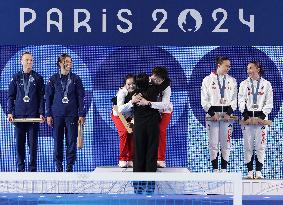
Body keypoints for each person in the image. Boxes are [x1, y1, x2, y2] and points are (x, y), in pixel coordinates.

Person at [46, 53, 85, 172]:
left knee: (71, 141)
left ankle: (69, 166)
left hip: (71, 115)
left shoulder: (76, 79)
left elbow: (81, 97)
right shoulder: (53, 79)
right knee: (57, 141)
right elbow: (48, 97)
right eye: (66, 61)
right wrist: (48, 114)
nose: (69, 64)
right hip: (57, 115)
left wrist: (81, 114)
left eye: (70, 62)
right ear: (60, 63)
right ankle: (58, 165)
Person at [7, 51, 45, 172]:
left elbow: (41, 98)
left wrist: (41, 113)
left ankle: (32, 169)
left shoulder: (38, 78)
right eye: (27, 60)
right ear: (21, 61)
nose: (29, 62)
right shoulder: (15, 77)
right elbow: (11, 97)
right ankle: (20, 169)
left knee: (33, 145)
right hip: (18, 116)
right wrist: (10, 112)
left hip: (33, 116)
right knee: (19, 144)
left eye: (31, 60)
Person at [201, 56, 237, 172]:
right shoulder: (207, 80)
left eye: (229, 66)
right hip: (213, 115)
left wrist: (229, 112)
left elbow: (235, 99)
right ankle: (215, 169)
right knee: (213, 143)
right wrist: (212, 113)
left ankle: (224, 170)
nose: (228, 68)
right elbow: (204, 100)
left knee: (226, 143)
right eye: (226, 66)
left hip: (227, 115)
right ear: (219, 65)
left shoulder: (232, 80)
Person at [238, 61, 273, 179]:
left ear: (257, 69)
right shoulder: (243, 84)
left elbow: (269, 102)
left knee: (260, 145)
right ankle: (249, 171)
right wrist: (245, 114)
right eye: (247, 69)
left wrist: (262, 116)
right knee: (248, 145)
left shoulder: (267, 84)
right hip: (247, 119)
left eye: (251, 68)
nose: (248, 71)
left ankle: (258, 172)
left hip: (261, 120)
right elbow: (241, 100)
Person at [149, 66, 173, 168]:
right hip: (152, 111)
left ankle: (161, 159)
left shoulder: (167, 87)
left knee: (161, 131)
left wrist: (149, 103)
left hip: (165, 112)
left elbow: (165, 104)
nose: (156, 81)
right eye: (155, 78)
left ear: (163, 80)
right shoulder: (148, 82)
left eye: (159, 80)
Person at [111, 74, 136, 168]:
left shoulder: (137, 92)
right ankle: (122, 159)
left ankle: (130, 159)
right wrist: (131, 102)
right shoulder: (122, 93)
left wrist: (133, 120)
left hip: (129, 116)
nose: (131, 86)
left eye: (133, 83)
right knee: (125, 132)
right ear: (125, 84)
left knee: (132, 133)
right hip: (118, 115)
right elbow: (119, 110)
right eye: (129, 84)